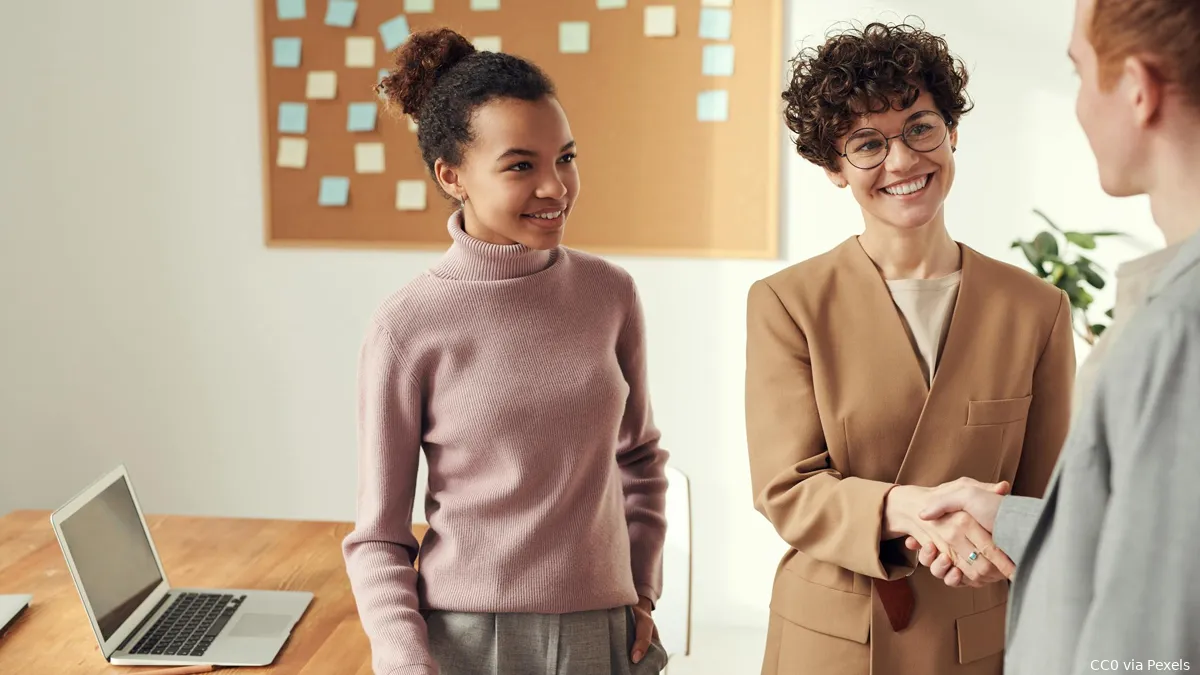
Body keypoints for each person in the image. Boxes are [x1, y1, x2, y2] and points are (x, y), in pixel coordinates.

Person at [744, 21, 1075, 675]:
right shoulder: (788, 302)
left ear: (952, 132)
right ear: (833, 166)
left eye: (919, 128)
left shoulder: (1038, 309)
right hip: (832, 638)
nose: (901, 161)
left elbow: (1043, 504)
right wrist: (921, 510)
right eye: (867, 144)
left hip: (974, 633)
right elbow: (788, 488)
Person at [341, 28, 670, 675]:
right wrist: (405, 658)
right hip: (466, 642)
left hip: (602, 635)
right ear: (452, 175)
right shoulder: (408, 325)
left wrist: (641, 588)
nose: (556, 186)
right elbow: (379, 534)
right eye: (521, 165)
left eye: (566, 158)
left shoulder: (610, 294)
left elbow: (640, 457)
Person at [907, 0, 1200, 672]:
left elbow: (1155, 646)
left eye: (1078, 72)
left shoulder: (1178, 330)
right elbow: (1152, 540)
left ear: (1138, 90)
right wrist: (1006, 518)